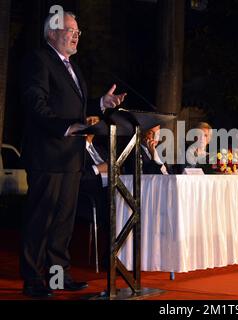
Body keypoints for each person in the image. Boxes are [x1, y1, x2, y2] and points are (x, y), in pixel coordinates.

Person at [20, 11, 126, 298]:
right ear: (52, 33)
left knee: (63, 223)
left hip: (71, 158)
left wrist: (100, 104)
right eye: (70, 29)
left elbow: (76, 110)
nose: (76, 34)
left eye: (78, 30)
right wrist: (66, 128)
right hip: (48, 155)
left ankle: (56, 277)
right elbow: (35, 103)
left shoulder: (73, 68)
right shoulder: (39, 60)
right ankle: (32, 279)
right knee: (41, 219)